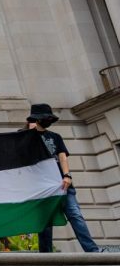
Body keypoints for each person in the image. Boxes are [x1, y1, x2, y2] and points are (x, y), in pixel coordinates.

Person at [27, 103, 102, 253]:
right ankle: (46, 256)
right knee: (45, 223)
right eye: (45, 117)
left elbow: (62, 157)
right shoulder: (26, 139)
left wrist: (67, 175)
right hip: (43, 188)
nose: (48, 120)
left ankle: (92, 250)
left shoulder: (55, 137)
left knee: (75, 215)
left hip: (63, 185)